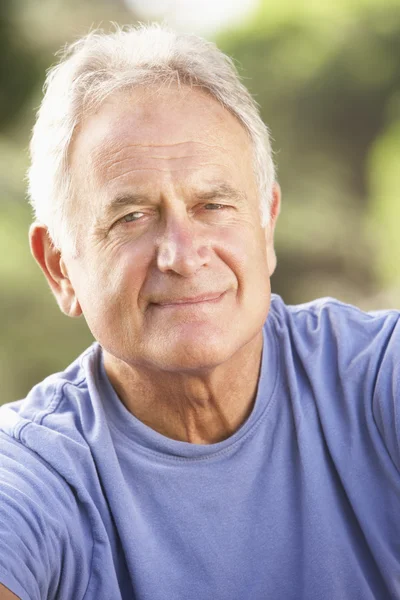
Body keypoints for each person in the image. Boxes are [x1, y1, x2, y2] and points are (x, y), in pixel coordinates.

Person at [0, 23, 399, 600]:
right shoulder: (33, 471)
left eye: (213, 204)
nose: (183, 255)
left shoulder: (373, 378)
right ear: (61, 267)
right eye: (131, 217)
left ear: (266, 226)